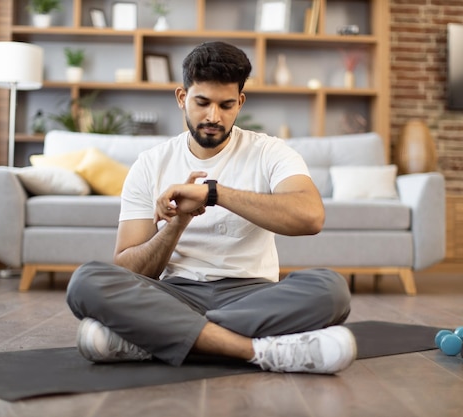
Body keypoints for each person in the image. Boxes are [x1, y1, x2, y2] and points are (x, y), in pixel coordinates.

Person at [66, 41, 356, 374]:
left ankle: (154, 337)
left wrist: (213, 194)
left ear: (240, 103)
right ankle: (255, 350)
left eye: (226, 105)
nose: (213, 116)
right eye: (202, 102)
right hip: (174, 295)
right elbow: (129, 270)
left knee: (331, 290)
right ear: (182, 98)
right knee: (86, 280)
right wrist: (177, 223)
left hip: (252, 295)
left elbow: (311, 216)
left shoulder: (271, 152)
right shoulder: (149, 165)